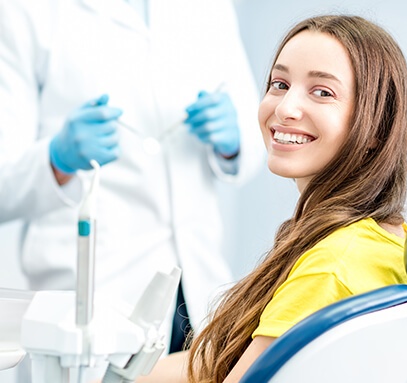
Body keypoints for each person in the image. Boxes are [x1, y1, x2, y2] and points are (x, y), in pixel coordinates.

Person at [136, 14, 407, 383]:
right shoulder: (381, 237)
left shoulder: (333, 266)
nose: (284, 108)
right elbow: (215, 361)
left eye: (322, 92)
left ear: (376, 127)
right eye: (280, 84)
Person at [0, 0, 264, 363]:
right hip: (94, 292)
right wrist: (56, 158)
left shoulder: (212, 7)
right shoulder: (25, 11)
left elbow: (257, 142)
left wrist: (235, 142)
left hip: (198, 287)